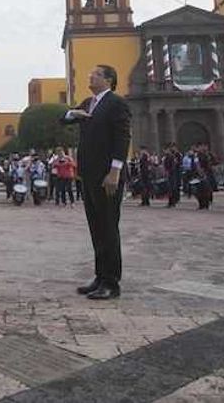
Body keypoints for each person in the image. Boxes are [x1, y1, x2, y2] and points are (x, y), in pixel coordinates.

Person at [61, 65, 131, 300]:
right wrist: (73, 114)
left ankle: (112, 283)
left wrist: (115, 172)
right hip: (89, 175)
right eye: (90, 73)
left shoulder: (116, 103)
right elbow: (64, 119)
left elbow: (122, 138)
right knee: (96, 227)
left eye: (96, 74)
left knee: (108, 227)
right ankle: (100, 277)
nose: (90, 75)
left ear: (109, 80)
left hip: (106, 176)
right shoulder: (88, 103)